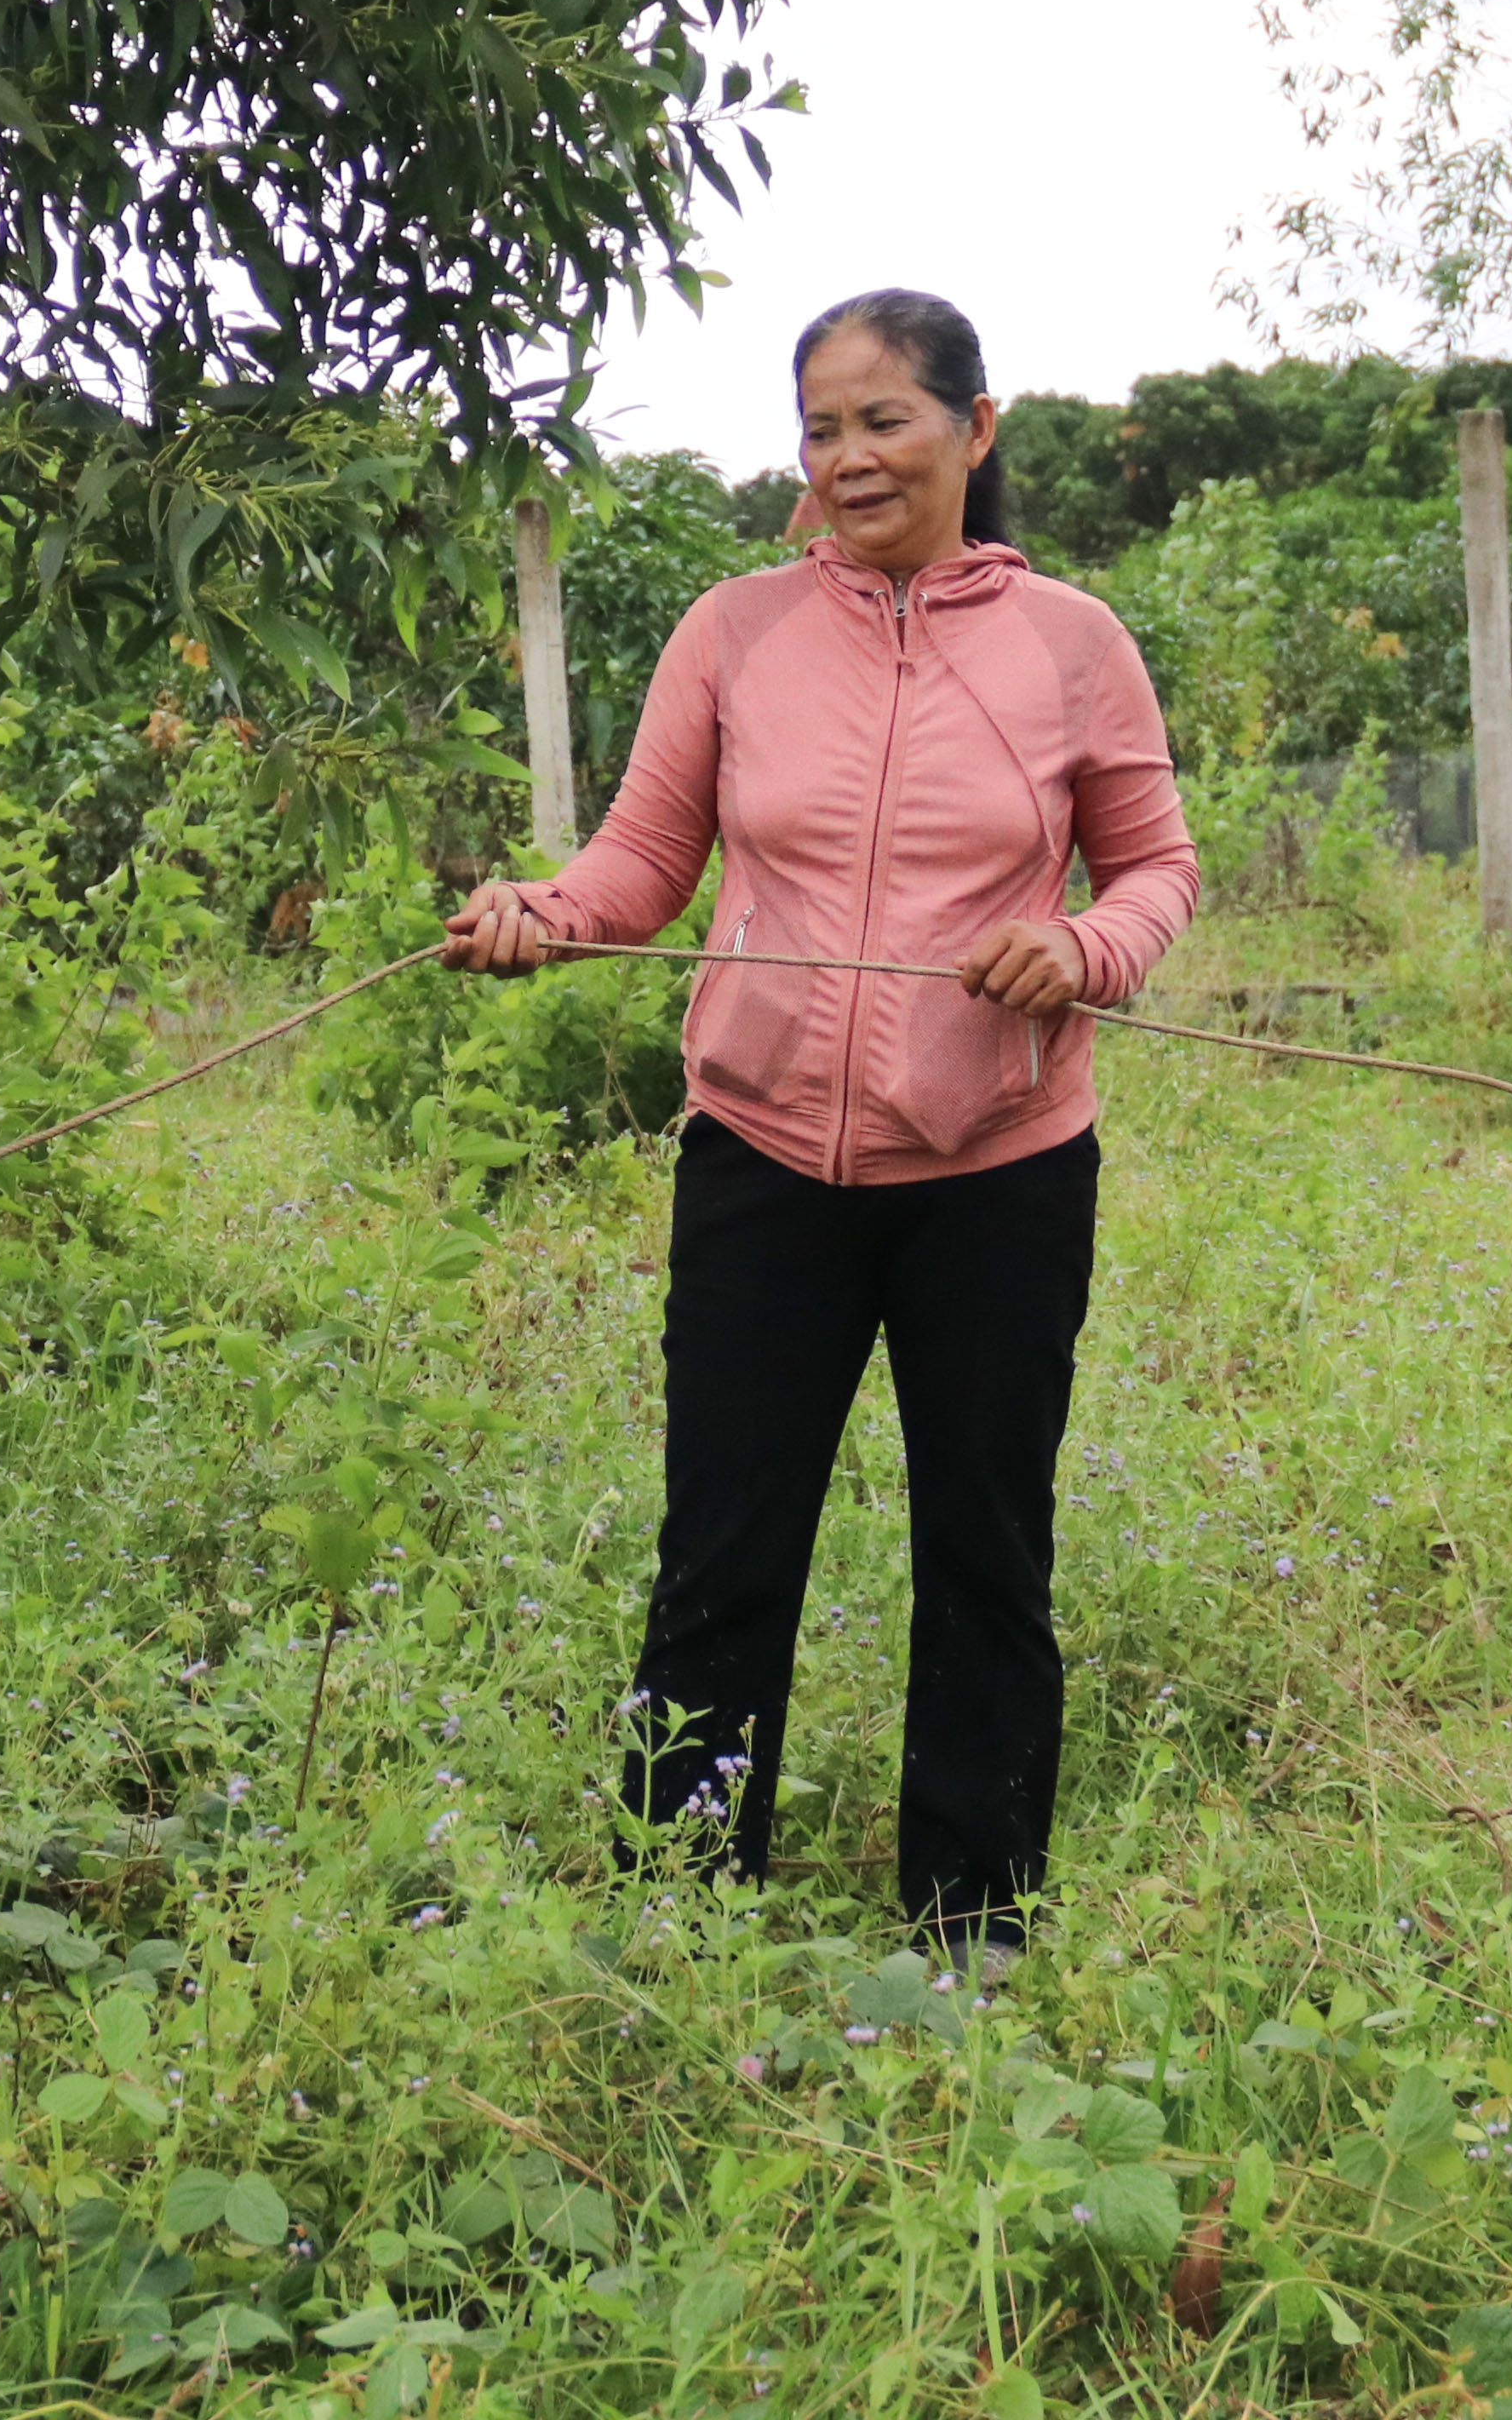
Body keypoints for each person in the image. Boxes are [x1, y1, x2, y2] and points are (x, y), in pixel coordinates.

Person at [442, 290, 1200, 1968]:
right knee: (723, 1538)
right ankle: (681, 1905)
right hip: (762, 1158)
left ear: (975, 428)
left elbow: (1157, 870)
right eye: (822, 427)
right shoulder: (734, 629)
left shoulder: (1076, 642)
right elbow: (640, 869)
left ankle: (973, 1922)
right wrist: (541, 912)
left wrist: (1081, 948)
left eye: (885, 419)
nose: (850, 456)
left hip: (1001, 1169)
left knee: (987, 1545)